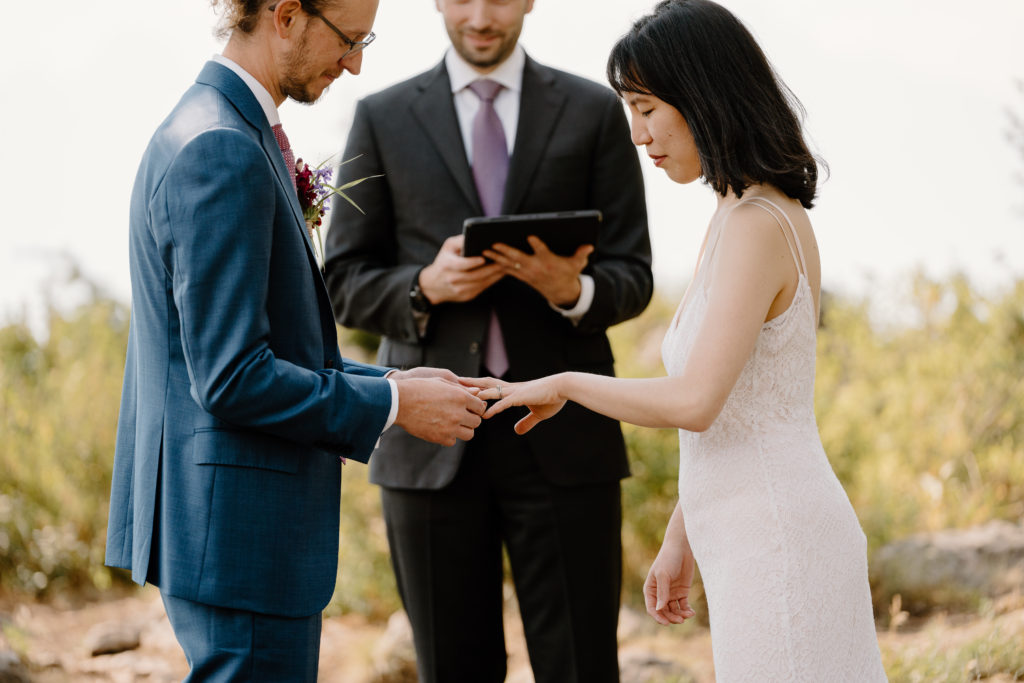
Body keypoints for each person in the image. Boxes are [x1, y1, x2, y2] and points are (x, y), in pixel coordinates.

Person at [467, 1, 889, 679]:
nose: (637, 134)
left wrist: (566, 383)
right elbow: (736, 409)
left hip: (778, 539)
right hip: (746, 534)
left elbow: (696, 400)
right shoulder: (733, 214)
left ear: (702, 95)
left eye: (646, 107)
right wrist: (680, 534)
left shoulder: (756, 222)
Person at [104, 1, 487, 680]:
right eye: (349, 38)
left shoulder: (215, 126)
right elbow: (232, 376)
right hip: (241, 539)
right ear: (285, 15)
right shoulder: (220, 147)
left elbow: (270, 345)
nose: (358, 61)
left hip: (223, 527)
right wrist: (393, 412)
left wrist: (394, 383)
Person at [322, 0, 653, 679]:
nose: (480, 15)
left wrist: (572, 289)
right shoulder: (381, 117)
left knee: (584, 666)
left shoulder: (593, 111)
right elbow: (342, 282)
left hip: (565, 438)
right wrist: (424, 287)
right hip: (429, 441)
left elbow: (635, 274)